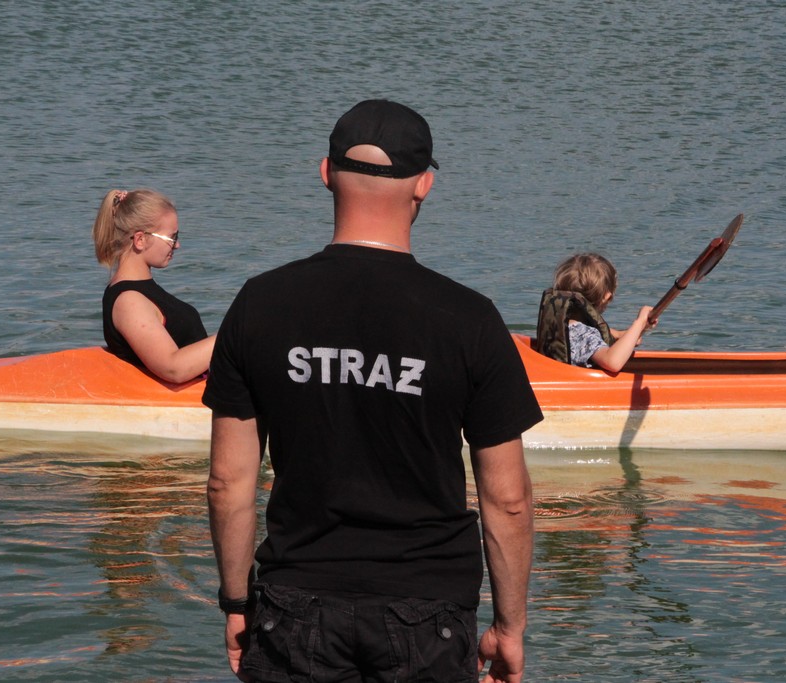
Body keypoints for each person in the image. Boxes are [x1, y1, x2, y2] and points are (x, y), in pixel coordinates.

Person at [204, 99, 543, 683]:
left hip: (293, 606)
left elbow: (227, 483)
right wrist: (509, 627)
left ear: (326, 173)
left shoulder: (260, 302)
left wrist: (237, 603)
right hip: (427, 612)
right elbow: (507, 499)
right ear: (425, 186)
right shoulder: (469, 319)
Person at [92, 188, 215, 383]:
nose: (177, 245)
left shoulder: (140, 289)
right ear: (140, 240)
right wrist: (233, 335)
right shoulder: (128, 301)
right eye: (172, 237)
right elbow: (173, 368)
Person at [536, 253, 656, 372]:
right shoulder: (584, 335)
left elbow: (613, 335)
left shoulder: (560, 325)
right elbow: (613, 362)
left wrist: (637, 330)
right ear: (606, 297)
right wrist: (639, 322)